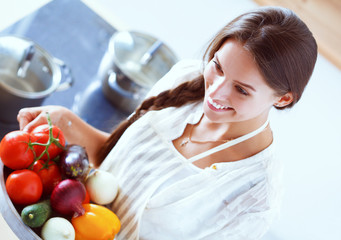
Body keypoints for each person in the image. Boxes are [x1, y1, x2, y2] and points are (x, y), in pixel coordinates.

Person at [17, 6, 317, 240]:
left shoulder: (256, 193)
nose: (215, 91)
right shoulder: (186, 78)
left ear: (283, 99)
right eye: (217, 67)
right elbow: (115, 162)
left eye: (241, 89)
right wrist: (64, 121)